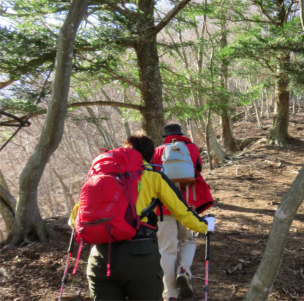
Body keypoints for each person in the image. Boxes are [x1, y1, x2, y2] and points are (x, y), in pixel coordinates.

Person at [70, 133, 214, 301]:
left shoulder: (100, 177)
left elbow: (74, 220)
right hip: (139, 255)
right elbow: (181, 211)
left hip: (99, 257)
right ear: (150, 156)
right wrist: (205, 226)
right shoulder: (153, 175)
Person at [152, 124, 214, 300]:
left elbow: (152, 174)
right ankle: (184, 269)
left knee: (166, 250)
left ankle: (170, 293)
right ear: (182, 134)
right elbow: (198, 169)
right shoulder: (192, 148)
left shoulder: (158, 150)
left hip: (163, 207)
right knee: (188, 240)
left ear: (165, 135)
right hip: (188, 205)